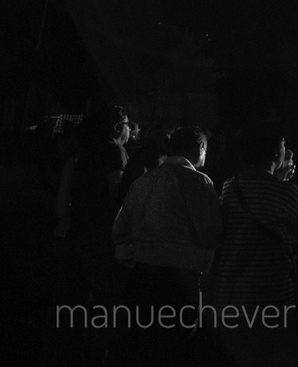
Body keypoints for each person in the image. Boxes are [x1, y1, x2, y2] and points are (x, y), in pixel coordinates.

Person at [110, 126, 222, 365]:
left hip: (141, 276)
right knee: (176, 350)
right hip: (178, 284)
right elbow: (209, 234)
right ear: (200, 148)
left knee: (141, 348)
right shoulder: (198, 182)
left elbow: (119, 229)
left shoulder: (144, 181)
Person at [212, 121, 298, 308]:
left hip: (232, 288)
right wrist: (281, 183)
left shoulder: (231, 186)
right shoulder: (289, 192)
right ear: (275, 152)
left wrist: (277, 181)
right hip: (271, 291)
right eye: (283, 144)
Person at [62, 106, 132, 305]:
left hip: (80, 227)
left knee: (77, 291)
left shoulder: (88, 150)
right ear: (119, 127)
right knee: (105, 292)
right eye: (129, 125)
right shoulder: (115, 151)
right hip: (101, 233)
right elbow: (117, 194)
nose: (132, 130)